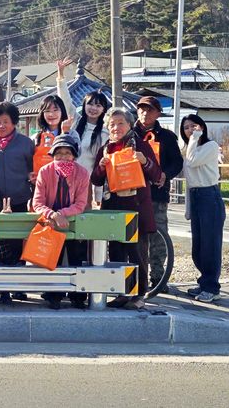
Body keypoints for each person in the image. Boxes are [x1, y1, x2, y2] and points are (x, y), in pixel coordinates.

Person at [91, 107, 161, 310]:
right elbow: (95, 179)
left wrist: (144, 161)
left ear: (130, 125)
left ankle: (139, 295)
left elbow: (157, 175)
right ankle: (121, 293)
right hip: (113, 207)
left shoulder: (140, 145)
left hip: (136, 207)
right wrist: (101, 167)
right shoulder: (106, 148)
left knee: (137, 253)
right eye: (111, 124)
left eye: (120, 123)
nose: (116, 127)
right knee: (117, 252)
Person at [31, 134, 90, 309]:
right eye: (59, 153)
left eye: (67, 153)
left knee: (77, 258)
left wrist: (63, 213)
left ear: (74, 155)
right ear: (52, 154)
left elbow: (81, 203)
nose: (63, 157)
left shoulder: (82, 173)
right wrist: (53, 215)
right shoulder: (45, 171)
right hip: (50, 223)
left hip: (74, 222)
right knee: (52, 260)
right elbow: (37, 202)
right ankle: (53, 295)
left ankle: (78, 296)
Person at [133, 96, 183, 292]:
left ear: (158, 113)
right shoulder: (128, 133)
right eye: (142, 109)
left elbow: (177, 163)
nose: (145, 113)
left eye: (150, 110)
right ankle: (135, 278)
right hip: (132, 195)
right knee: (134, 238)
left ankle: (158, 278)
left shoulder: (168, 136)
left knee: (158, 236)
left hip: (157, 195)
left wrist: (165, 174)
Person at [180, 114, 225, 303]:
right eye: (186, 127)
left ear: (202, 127)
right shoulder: (189, 148)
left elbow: (191, 161)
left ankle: (212, 287)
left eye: (193, 126)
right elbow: (187, 177)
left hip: (210, 196)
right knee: (198, 247)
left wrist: (195, 138)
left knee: (210, 246)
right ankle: (204, 281)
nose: (190, 130)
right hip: (197, 197)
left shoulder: (210, 146)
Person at [56, 58, 110, 206]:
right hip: (63, 179)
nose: (93, 108)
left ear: (103, 110)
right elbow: (65, 100)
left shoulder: (105, 134)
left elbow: (100, 167)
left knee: (82, 221)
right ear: (84, 106)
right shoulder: (75, 121)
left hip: (84, 184)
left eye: (98, 105)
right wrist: (61, 74)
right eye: (90, 104)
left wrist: (98, 195)